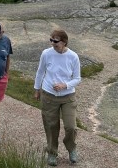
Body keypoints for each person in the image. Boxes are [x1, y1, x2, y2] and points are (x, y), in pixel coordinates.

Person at [34, 29, 81, 166]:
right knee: (51, 126)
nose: (52, 43)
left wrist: (65, 85)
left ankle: (71, 148)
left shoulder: (73, 56)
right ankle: (52, 153)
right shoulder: (46, 54)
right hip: (49, 95)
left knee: (70, 126)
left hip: (68, 96)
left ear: (64, 42)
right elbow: (40, 72)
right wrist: (37, 89)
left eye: (55, 41)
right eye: (51, 40)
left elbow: (77, 78)